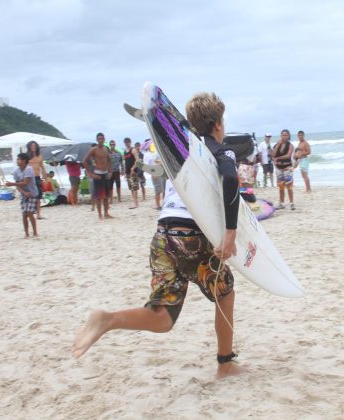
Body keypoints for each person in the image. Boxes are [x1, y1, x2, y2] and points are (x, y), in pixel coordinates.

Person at [72, 92, 243, 379]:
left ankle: (107, 319)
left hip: (163, 235)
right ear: (217, 124)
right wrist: (230, 231)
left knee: (162, 318)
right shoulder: (220, 150)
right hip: (192, 236)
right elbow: (231, 179)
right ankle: (225, 364)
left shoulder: (181, 150)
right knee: (224, 293)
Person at [6, 153, 39, 238]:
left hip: (32, 193)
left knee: (30, 213)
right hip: (24, 195)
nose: (17, 161)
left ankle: (35, 232)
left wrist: (11, 184)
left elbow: (26, 182)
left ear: (24, 161)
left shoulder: (29, 169)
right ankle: (26, 233)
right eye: (17, 159)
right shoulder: (16, 171)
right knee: (24, 214)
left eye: (19, 159)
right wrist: (24, 192)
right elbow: (18, 186)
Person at [83, 133, 113, 219]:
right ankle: (100, 215)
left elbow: (109, 160)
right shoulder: (94, 149)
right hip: (98, 174)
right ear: (97, 139)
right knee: (99, 196)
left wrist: (110, 172)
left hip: (105, 174)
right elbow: (84, 161)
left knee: (106, 196)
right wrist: (91, 173)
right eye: (99, 138)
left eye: (102, 138)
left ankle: (106, 213)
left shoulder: (105, 149)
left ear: (104, 139)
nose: (101, 140)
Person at [272, 129, 295, 210]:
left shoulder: (290, 145)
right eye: (282, 135)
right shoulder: (277, 144)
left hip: (287, 168)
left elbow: (288, 156)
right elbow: (273, 154)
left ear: (288, 136)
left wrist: (277, 158)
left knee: (289, 186)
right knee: (281, 187)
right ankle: (281, 203)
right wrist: (278, 144)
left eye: (285, 135)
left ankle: (292, 203)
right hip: (279, 168)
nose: (284, 136)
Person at [26, 141, 48, 220]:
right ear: (29, 147)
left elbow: (42, 167)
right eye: (31, 145)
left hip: (37, 177)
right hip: (29, 177)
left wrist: (45, 176)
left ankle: (38, 214)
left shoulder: (40, 156)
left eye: (34, 145)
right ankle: (29, 213)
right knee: (30, 196)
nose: (33, 147)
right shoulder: (27, 156)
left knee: (39, 196)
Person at [143, 144, 166, 210]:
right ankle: (158, 205)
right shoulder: (147, 154)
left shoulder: (158, 152)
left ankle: (164, 204)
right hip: (155, 172)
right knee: (157, 190)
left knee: (164, 190)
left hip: (162, 172)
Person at [123, 137, 140, 209]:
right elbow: (125, 162)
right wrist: (124, 172)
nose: (127, 143)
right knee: (131, 188)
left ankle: (136, 204)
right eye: (126, 142)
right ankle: (134, 202)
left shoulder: (133, 150)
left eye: (128, 142)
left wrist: (133, 168)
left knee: (134, 187)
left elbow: (138, 160)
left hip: (133, 172)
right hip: (127, 172)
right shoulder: (125, 151)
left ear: (130, 142)